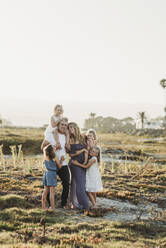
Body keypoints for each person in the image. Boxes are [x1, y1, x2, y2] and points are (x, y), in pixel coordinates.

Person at [41, 118, 70, 209]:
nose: (64, 126)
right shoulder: (51, 135)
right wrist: (49, 156)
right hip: (51, 165)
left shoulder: (66, 136)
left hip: (62, 163)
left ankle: (63, 203)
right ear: (58, 125)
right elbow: (43, 147)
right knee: (49, 186)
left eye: (65, 125)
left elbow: (68, 150)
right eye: (62, 124)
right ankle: (50, 205)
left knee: (66, 182)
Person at [68, 122, 89, 209]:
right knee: (77, 184)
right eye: (69, 128)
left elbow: (88, 149)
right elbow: (71, 155)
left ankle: (76, 203)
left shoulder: (82, 137)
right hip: (74, 164)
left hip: (82, 164)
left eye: (72, 127)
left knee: (81, 184)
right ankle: (84, 205)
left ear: (76, 127)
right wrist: (83, 150)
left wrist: (85, 161)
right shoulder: (70, 139)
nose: (70, 129)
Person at [42, 144, 64, 210]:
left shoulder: (45, 156)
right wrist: (62, 160)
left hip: (46, 173)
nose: (55, 148)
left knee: (45, 190)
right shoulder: (54, 157)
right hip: (52, 174)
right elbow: (59, 166)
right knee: (52, 191)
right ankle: (53, 207)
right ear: (52, 150)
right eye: (54, 147)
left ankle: (43, 207)